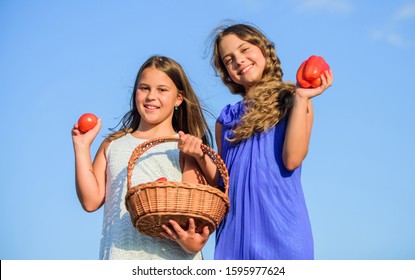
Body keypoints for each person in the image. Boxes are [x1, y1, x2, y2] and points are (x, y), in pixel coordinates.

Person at [71, 55, 217, 260]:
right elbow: (90, 201)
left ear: (178, 98)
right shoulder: (113, 145)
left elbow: (192, 222)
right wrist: (82, 146)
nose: (151, 96)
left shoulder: (184, 148)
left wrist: (192, 244)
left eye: (162, 90)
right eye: (144, 88)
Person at [209, 23, 334, 259]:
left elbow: (292, 159)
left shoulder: (293, 100)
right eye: (229, 59)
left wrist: (301, 97)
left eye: (245, 49)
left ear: (264, 49)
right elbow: (221, 181)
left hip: (282, 229)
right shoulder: (225, 120)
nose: (239, 60)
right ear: (227, 73)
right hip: (233, 236)